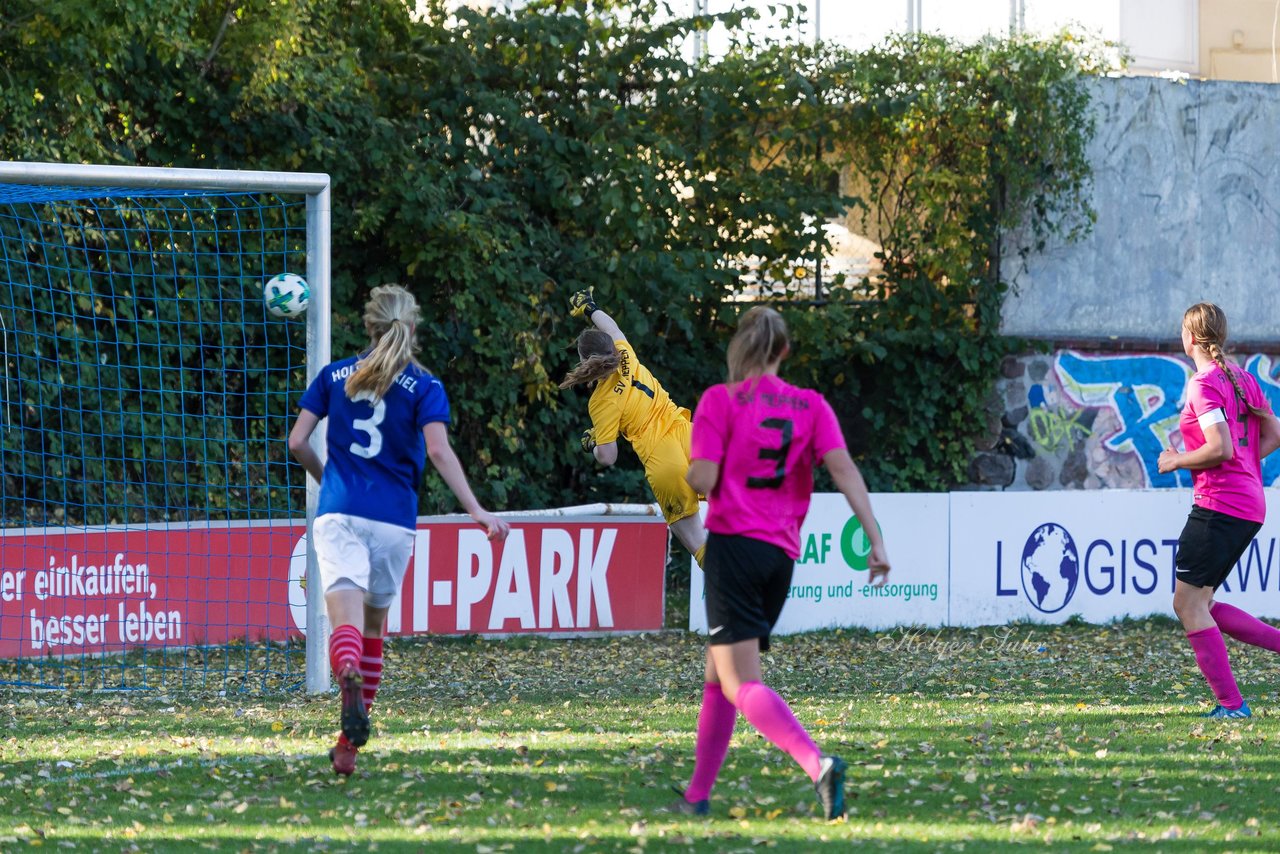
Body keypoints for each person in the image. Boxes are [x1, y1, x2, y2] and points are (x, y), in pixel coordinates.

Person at [672, 305, 890, 821]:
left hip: (733, 549)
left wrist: (707, 469)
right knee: (718, 672)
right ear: (785, 351)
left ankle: (818, 764)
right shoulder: (811, 405)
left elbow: (700, 479)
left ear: (742, 345)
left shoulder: (719, 401)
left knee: (740, 681)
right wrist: (875, 538)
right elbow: (845, 471)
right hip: (780, 557)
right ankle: (697, 795)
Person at [288, 284, 510, 775]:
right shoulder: (425, 387)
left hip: (340, 512)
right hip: (393, 521)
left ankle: (343, 676)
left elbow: (298, 441)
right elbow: (437, 451)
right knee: (373, 629)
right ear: (411, 330)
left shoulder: (333, 376)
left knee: (344, 623)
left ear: (368, 327)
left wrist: (331, 481)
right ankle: (347, 748)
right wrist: (476, 510)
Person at [1157, 302, 1280, 719]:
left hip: (1220, 505)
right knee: (1201, 602)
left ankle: (1232, 706)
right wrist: (1247, 466)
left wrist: (1176, 459)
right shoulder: (1245, 380)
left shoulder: (1202, 383)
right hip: (1249, 503)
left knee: (1187, 604)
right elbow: (1275, 433)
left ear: (1190, 337)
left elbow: (1220, 448)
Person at [558, 288, 708, 567]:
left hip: (663, 459)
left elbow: (608, 456)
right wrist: (589, 308)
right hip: (688, 435)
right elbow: (611, 326)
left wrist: (593, 444)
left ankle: (737, 599)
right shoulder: (626, 355)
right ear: (611, 349)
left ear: (584, 363)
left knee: (699, 545)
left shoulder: (600, 402)